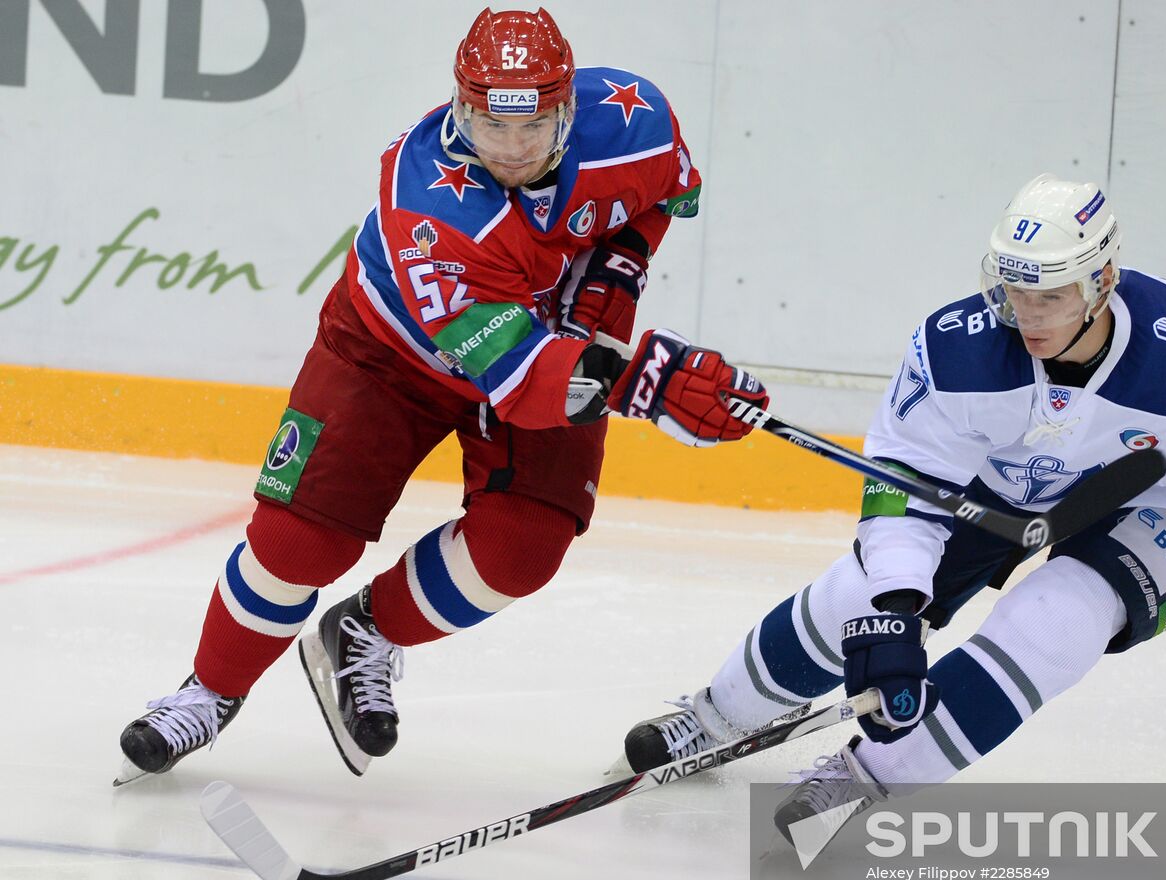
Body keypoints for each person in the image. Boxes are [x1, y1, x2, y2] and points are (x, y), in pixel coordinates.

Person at [617, 174, 1166, 849]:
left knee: (1058, 618)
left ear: (1103, 280)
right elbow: (904, 485)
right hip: (1020, 482)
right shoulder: (958, 351)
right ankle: (714, 719)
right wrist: (895, 606)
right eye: (1014, 290)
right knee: (855, 595)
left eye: (1051, 294)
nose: (1028, 315)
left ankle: (868, 777)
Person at [116, 7, 766, 783]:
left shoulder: (638, 121)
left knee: (522, 548)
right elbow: (520, 382)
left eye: (534, 128)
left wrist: (611, 284)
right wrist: (645, 379)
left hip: (548, 345)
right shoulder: (428, 203)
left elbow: (658, 201)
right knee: (300, 541)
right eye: (492, 128)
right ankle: (209, 691)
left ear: (568, 109)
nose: (514, 150)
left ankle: (364, 632)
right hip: (391, 354)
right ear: (461, 108)